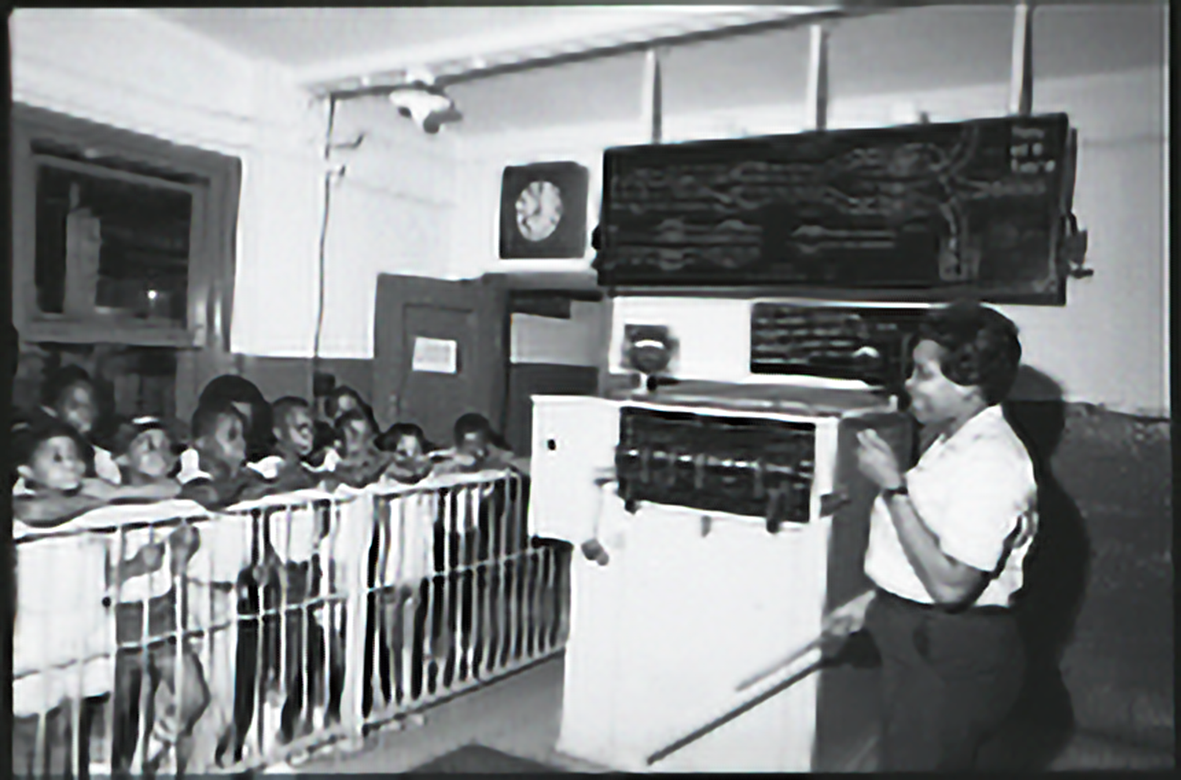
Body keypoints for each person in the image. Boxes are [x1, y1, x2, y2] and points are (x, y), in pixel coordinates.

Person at [826, 300, 1037, 771]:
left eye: (923, 373)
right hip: (922, 637)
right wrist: (873, 603)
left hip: (950, 651)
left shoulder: (992, 463)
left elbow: (952, 585)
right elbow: (933, 542)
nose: (908, 384)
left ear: (968, 384)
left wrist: (892, 484)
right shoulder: (955, 440)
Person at [31, 365, 122, 485]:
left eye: (90, 405)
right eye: (74, 406)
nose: (85, 413)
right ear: (53, 410)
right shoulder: (38, 453)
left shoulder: (102, 458)